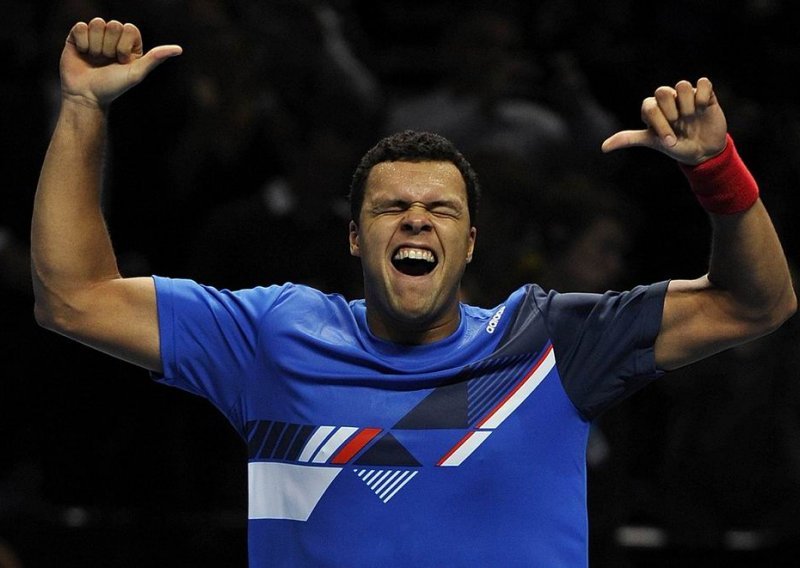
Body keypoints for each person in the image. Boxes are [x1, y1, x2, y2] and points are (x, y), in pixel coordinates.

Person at [31, 17, 796, 567]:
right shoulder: (272, 336)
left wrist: (716, 172)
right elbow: (74, 296)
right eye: (391, 207)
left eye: (442, 210)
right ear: (354, 237)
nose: (417, 220)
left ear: (471, 244)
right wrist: (84, 109)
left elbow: (757, 304)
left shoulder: (550, 342)